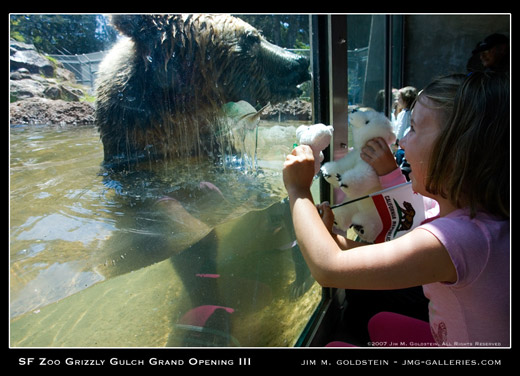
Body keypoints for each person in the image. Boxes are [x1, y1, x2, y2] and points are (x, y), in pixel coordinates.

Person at [283, 72, 509, 347]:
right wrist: (333, 239)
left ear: (458, 153)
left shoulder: (459, 238)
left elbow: (329, 269)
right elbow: (372, 257)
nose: (401, 142)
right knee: (380, 322)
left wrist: (298, 190)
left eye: (412, 129)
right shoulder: (476, 221)